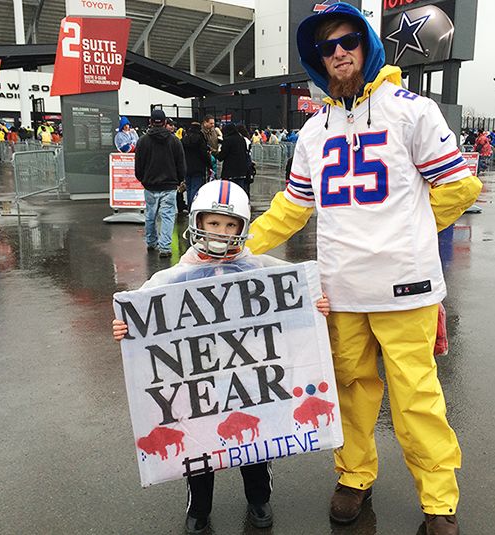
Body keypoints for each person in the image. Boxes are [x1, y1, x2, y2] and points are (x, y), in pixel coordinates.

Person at [245, 4, 481, 535]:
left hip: (407, 288)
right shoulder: (312, 132)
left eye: (347, 40)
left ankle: (439, 502)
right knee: (350, 391)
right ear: (317, 58)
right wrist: (238, 248)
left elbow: (460, 187)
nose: (338, 52)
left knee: (416, 398)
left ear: (366, 43)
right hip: (341, 292)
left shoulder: (413, 111)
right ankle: (354, 476)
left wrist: (414, 229)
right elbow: (292, 205)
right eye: (326, 46)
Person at [112, 180, 330, 534]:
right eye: (213, 223)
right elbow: (141, 314)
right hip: (198, 379)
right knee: (199, 446)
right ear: (198, 223)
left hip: (248, 375)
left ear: (244, 229)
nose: (222, 232)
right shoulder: (171, 277)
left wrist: (313, 302)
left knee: (256, 444)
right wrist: (126, 328)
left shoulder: (259, 268)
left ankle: (259, 498)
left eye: (231, 225)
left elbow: (294, 301)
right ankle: (199, 507)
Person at [134, 109, 186, 258]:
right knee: (167, 216)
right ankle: (165, 247)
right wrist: (179, 179)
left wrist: (142, 179)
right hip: (169, 184)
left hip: (150, 184)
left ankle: (151, 242)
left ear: (150, 122)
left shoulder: (143, 141)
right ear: (164, 123)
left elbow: (138, 165)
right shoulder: (174, 141)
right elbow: (180, 163)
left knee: (150, 215)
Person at [215, 123, 249, 195]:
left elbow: (221, 156)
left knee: (229, 193)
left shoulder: (228, 140)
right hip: (242, 171)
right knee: (239, 192)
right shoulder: (242, 139)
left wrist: (214, 153)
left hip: (230, 172)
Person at [181, 121, 209, 207]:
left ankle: (189, 206)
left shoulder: (184, 139)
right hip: (198, 167)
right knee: (196, 188)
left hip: (186, 167)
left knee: (189, 188)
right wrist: (208, 164)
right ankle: (193, 207)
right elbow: (204, 153)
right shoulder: (201, 138)